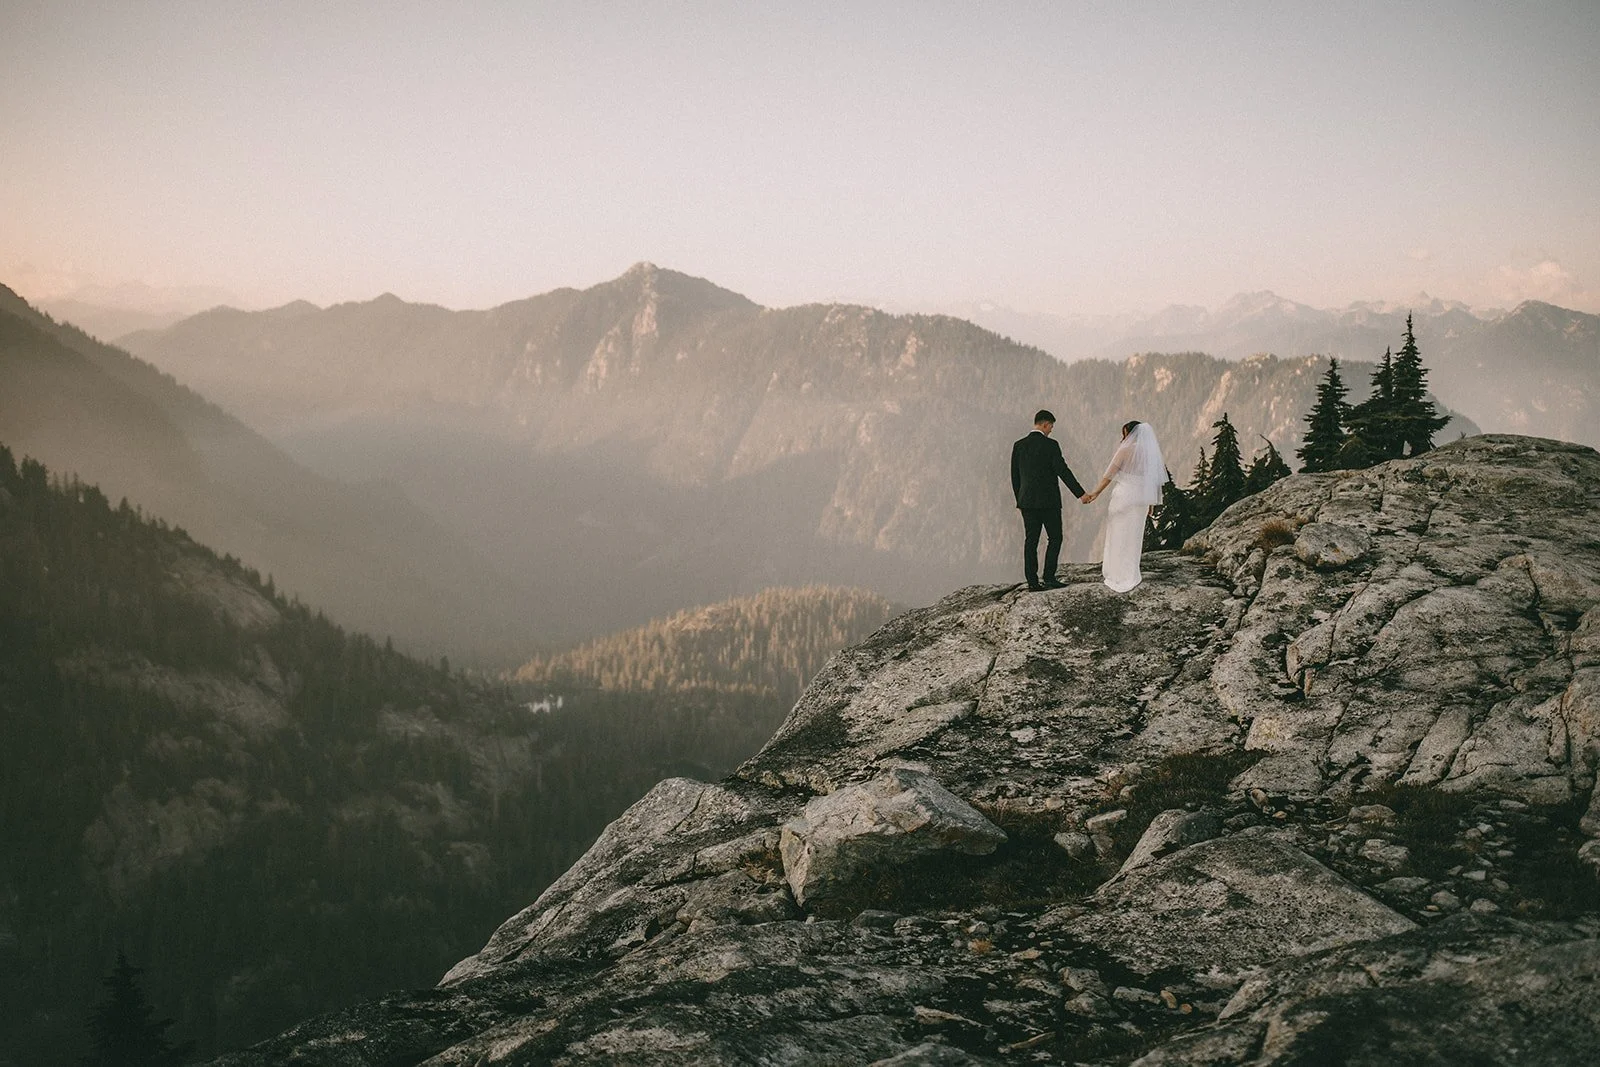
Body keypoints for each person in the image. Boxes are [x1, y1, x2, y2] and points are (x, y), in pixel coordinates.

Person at [1083, 420, 1165, 593]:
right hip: (1140, 500)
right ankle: (1131, 573)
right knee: (1133, 536)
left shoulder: (1125, 450)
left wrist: (1095, 493)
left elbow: (1109, 475)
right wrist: (1150, 502)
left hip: (1123, 498)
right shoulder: (1149, 453)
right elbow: (1153, 480)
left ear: (1129, 433)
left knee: (1118, 534)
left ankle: (1116, 573)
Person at [1010, 409, 1088, 591]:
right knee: (1055, 538)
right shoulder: (1051, 445)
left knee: (1031, 541)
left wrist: (1019, 500)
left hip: (1027, 502)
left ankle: (1032, 582)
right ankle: (1049, 577)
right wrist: (1081, 494)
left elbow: (1015, 476)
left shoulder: (1019, 445)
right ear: (1045, 424)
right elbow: (1063, 471)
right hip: (1049, 502)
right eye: (1051, 426)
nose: (1052, 429)